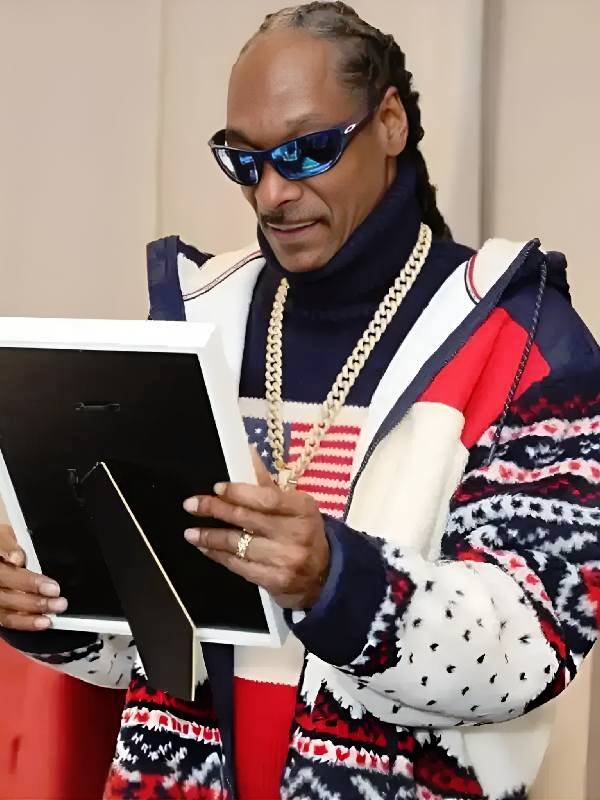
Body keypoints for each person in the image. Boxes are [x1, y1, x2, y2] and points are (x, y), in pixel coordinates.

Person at [1, 3, 599, 798]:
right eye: (245, 161)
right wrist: (48, 604)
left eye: (307, 151)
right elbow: (148, 649)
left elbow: (534, 645)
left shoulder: (520, 341)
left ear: (390, 122)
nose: (273, 193)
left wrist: (337, 581)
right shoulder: (196, 323)